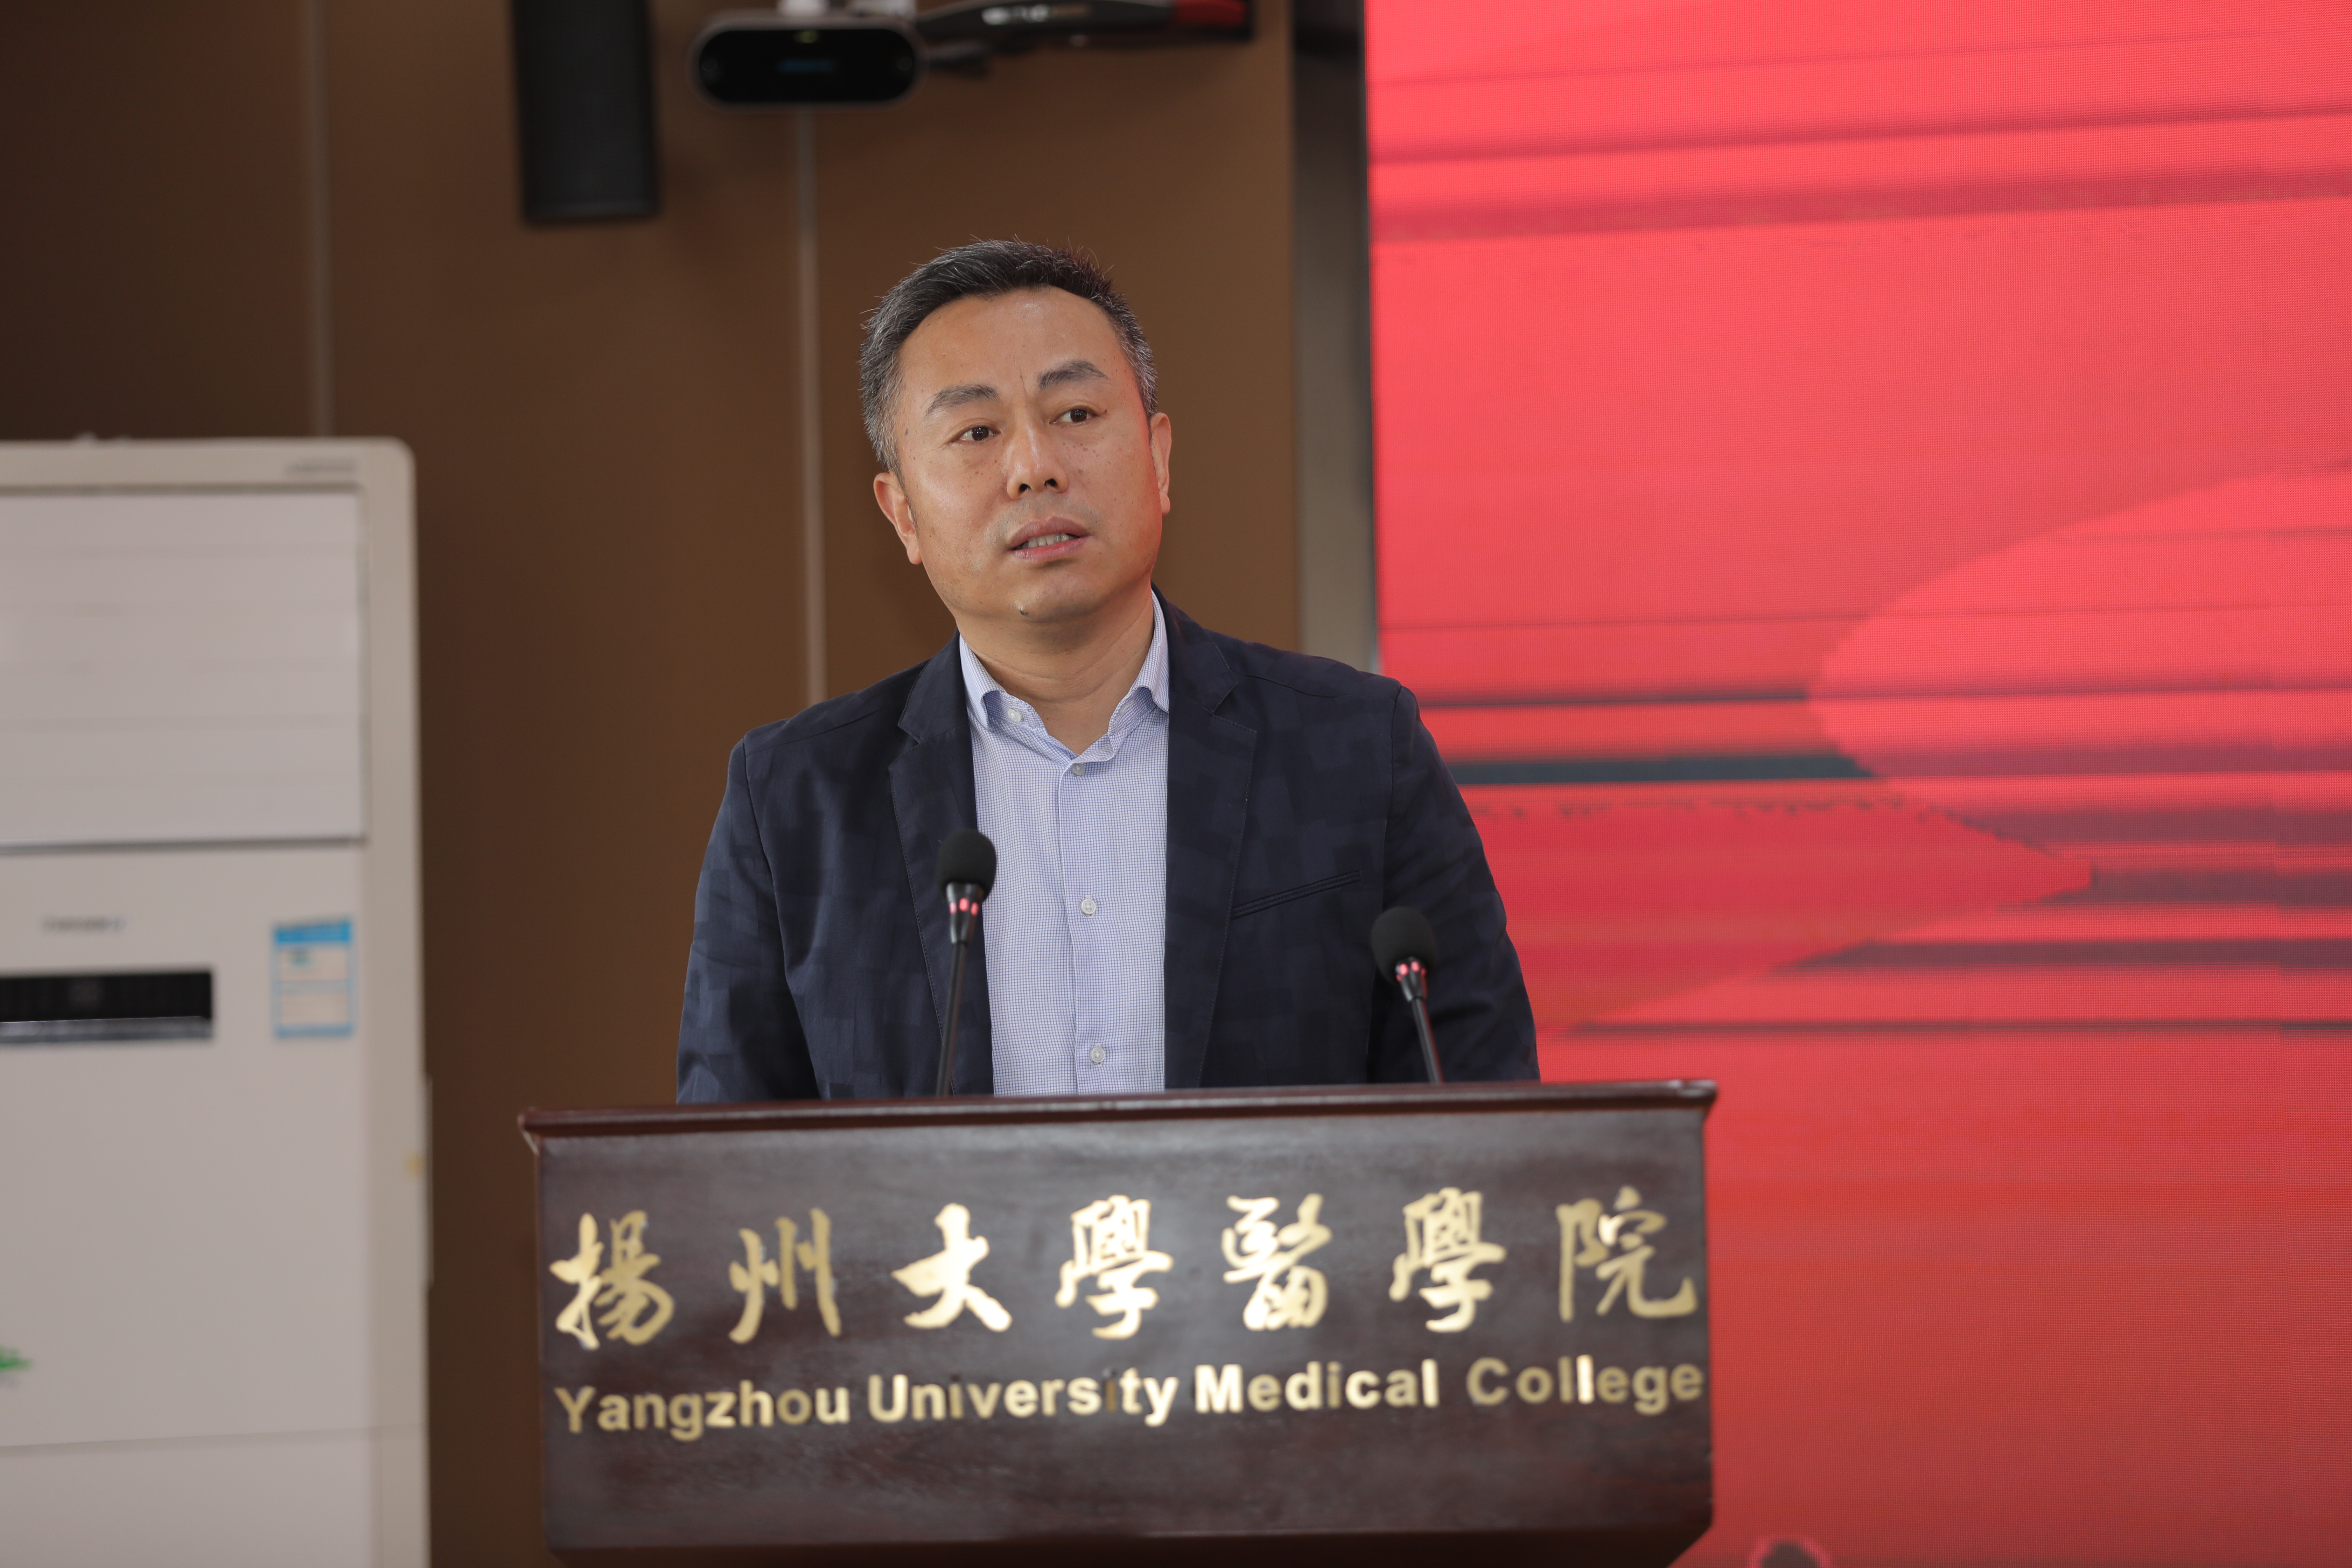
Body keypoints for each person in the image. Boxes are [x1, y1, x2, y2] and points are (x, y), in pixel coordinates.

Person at [678, 241, 1534, 1101]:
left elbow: (1484, 1107)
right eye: (976, 432)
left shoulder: (1357, 750)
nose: (1035, 467)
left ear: (1159, 459)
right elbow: (725, 1155)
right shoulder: (796, 799)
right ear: (902, 513)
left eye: (1076, 413)